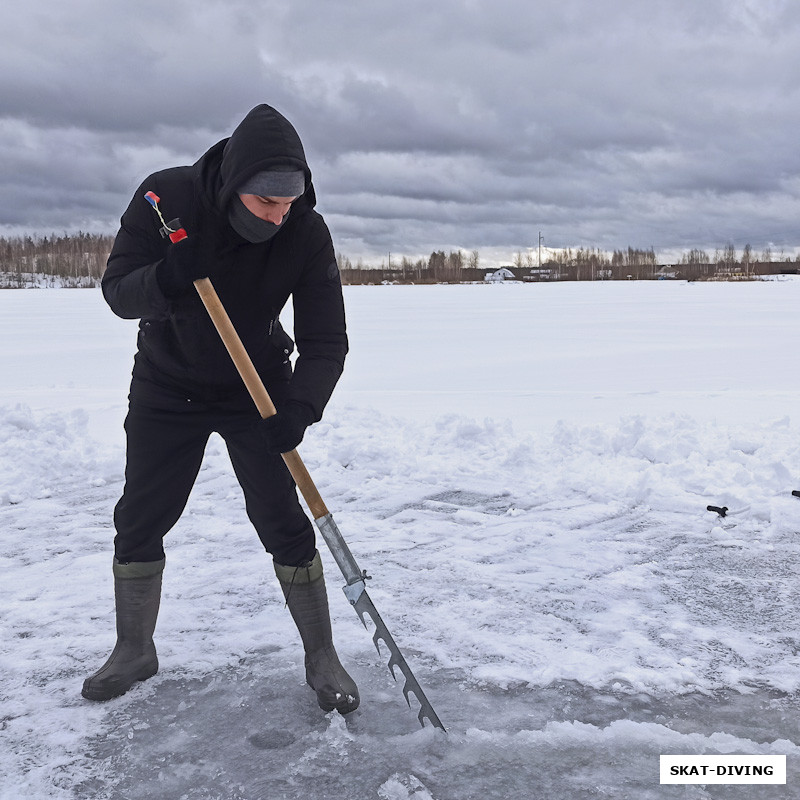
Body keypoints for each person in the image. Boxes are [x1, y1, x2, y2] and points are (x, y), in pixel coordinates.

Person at [82, 104, 359, 716]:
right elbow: (117, 294)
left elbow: (325, 339)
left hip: (257, 389)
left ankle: (321, 654)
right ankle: (134, 650)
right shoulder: (166, 198)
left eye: (290, 202)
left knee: (283, 521)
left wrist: (300, 407)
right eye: (266, 203)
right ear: (235, 187)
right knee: (141, 515)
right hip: (167, 382)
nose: (279, 215)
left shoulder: (306, 232)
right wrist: (169, 276)